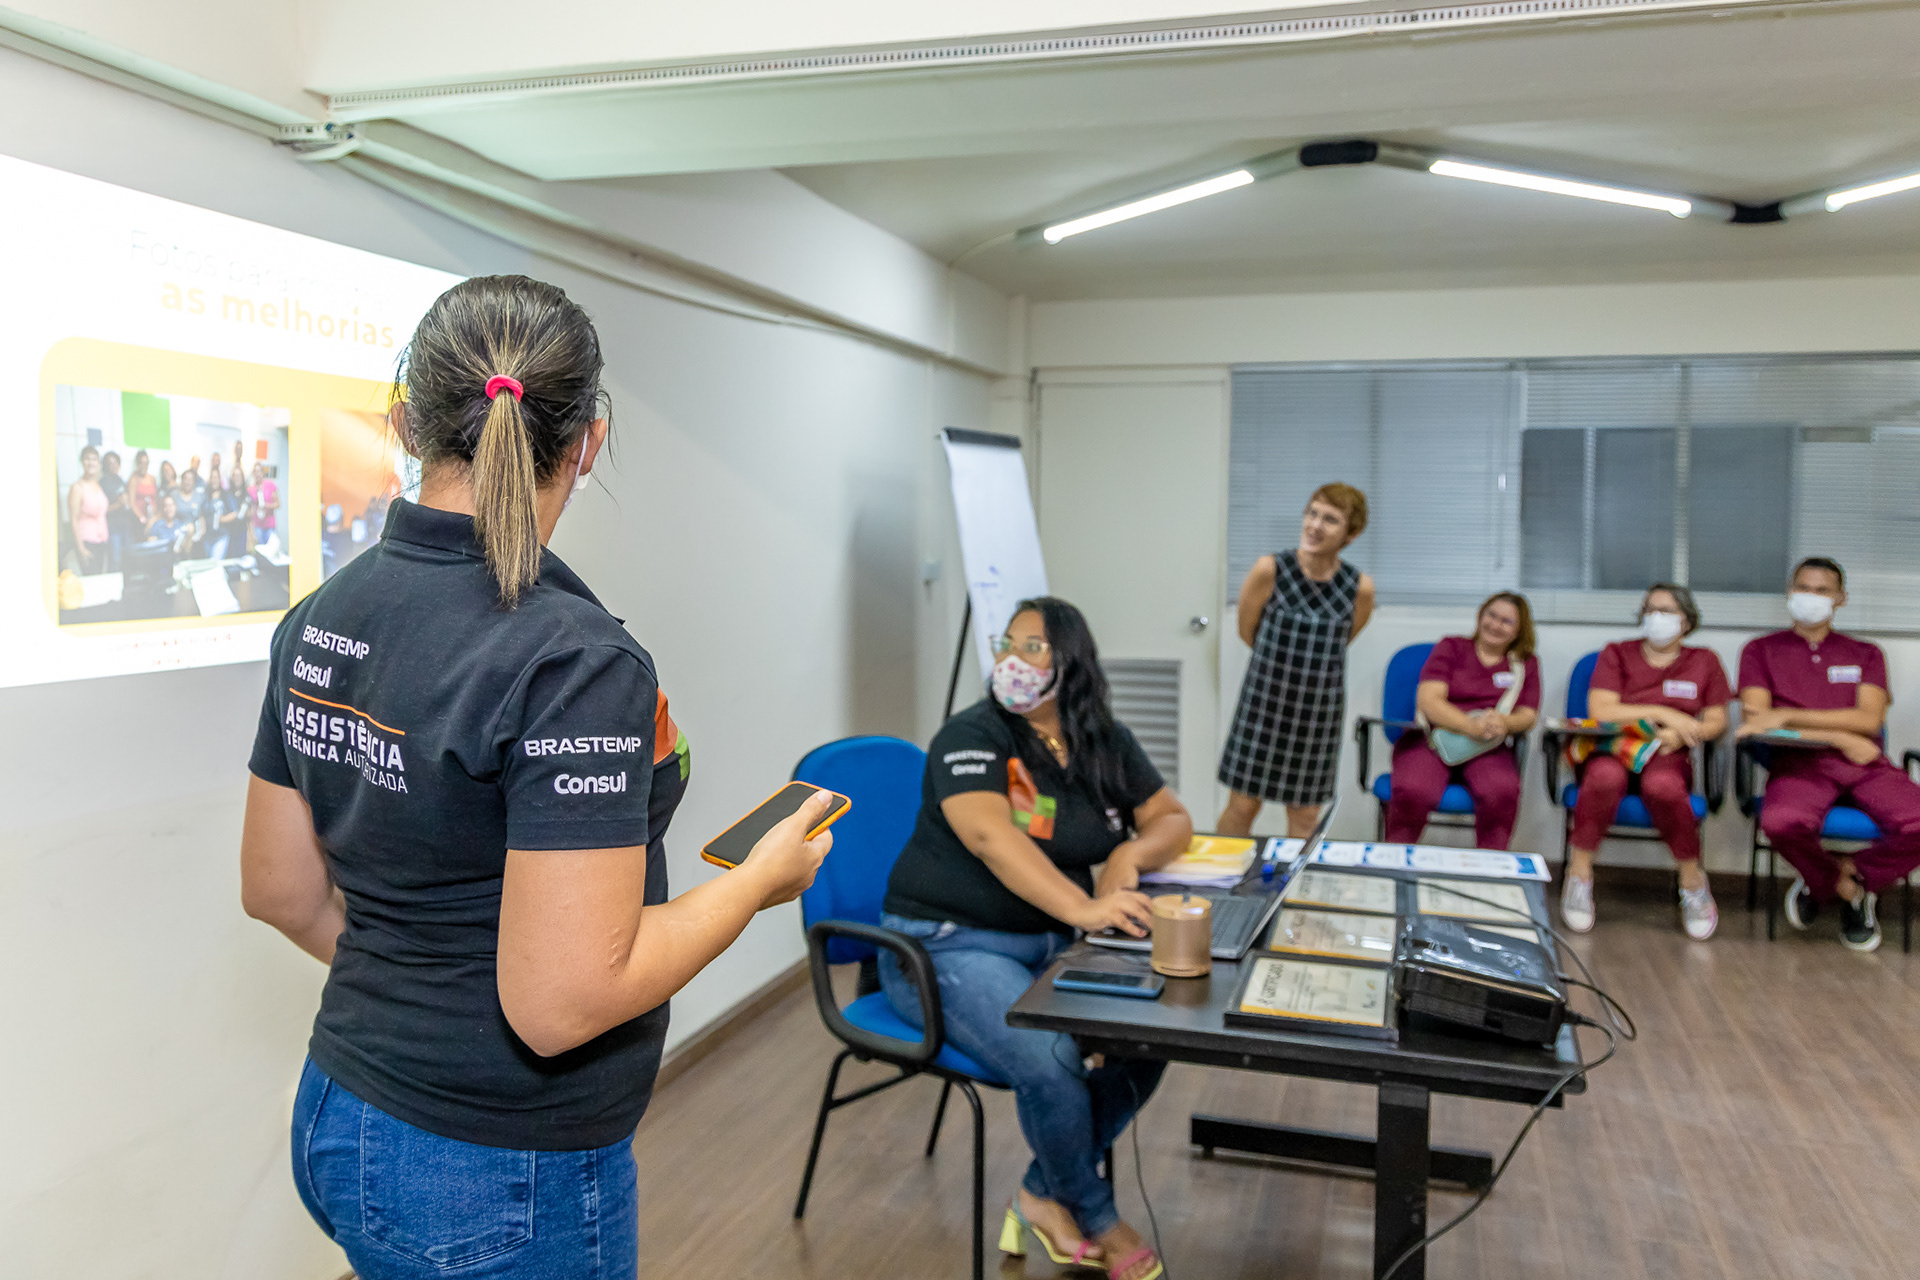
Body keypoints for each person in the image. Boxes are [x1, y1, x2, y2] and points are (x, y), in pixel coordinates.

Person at [239, 274, 830, 1279]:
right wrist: (756, 883)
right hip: (491, 1169)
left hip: (340, 1109)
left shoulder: (321, 616)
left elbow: (279, 891)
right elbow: (563, 1004)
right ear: (588, 443)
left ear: (406, 423)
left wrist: (424, 988)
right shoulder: (572, 660)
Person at [881, 597, 1192, 1280]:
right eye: (1007, 644)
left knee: (1154, 1034)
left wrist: (1129, 855)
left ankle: (1039, 1193)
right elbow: (989, 836)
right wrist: (1085, 907)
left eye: (1032, 647)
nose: (1012, 661)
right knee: (1050, 1059)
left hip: (1050, 944)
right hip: (943, 945)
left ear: (1070, 661)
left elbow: (1172, 817)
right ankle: (1096, 1217)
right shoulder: (971, 734)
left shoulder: (1099, 737)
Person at [1737, 557, 1920, 953]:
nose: (1811, 597)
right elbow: (1757, 720)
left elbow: (1869, 719)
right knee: (1781, 822)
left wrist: (1788, 714)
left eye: (1822, 590)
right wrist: (1839, 734)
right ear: (1789, 593)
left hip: (1864, 763)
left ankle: (1845, 877)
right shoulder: (1760, 650)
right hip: (1799, 764)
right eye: (1803, 588)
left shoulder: (1865, 653)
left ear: (1841, 599)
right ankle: (1848, 891)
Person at [1560, 584, 1730, 939]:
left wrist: (1686, 732)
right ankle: (1579, 875)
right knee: (1603, 778)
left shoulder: (1705, 661)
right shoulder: (1616, 653)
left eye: (1666, 611)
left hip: (1668, 752)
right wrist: (1663, 712)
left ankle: (1692, 880)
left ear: (1687, 620)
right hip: (1616, 746)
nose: (1656, 617)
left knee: (1664, 787)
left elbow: (1717, 720)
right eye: (1650, 609)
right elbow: (1601, 710)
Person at [1217, 483, 1376, 838]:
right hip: (1263, 705)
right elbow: (1248, 632)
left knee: (1305, 815)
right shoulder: (1270, 569)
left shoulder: (1359, 587)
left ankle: (1295, 875)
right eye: (1312, 513)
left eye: (1330, 520)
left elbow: (1341, 642)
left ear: (1351, 534)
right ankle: (1226, 871)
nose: (1315, 525)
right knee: (1243, 805)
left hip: (1317, 713)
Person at [1384, 592, 1541, 851]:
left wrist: (1505, 723)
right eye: (1491, 615)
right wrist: (1470, 726)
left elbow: (1528, 714)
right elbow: (1429, 701)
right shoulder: (1451, 647)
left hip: (1488, 746)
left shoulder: (1526, 664)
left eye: (1506, 621)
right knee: (1414, 790)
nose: (1495, 624)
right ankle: (1393, 860)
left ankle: (1489, 866)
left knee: (1501, 792)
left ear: (1519, 629)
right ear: (1480, 615)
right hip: (1432, 740)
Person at [66, 445, 111, 574]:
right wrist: (81, 548)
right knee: (92, 579)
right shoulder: (77, 488)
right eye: (87, 459)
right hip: (87, 543)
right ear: (82, 462)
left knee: (100, 579)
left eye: (94, 459)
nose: (91, 463)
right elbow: (73, 520)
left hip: (102, 541)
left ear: (98, 463)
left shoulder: (98, 485)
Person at [98, 450, 129, 570]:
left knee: (128, 558)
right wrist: (118, 504)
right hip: (112, 526)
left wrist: (125, 503)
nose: (114, 466)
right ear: (105, 465)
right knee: (115, 559)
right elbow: (101, 510)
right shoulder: (102, 483)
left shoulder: (120, 480)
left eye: (116, 463)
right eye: (110, 463)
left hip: (125, 524)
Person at [248, 461, 280, 553]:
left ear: (262, 472)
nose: (257, 474)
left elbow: (277, 504)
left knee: (271, 550)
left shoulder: (270, 485)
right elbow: (251, 509)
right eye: (255, 471)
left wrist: (267, 505)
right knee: (260, 550)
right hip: (257, 525)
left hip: (269, 524)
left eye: (259, 471)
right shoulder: (250, 489)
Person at [126, 449, 157, 526]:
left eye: (146, 463)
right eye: (141, 463)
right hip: (138, 519)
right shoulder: (133, 479)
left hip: (151, 517)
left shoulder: (152, 479)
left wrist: (153, 517)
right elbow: (131, 503)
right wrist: (141, 518)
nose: (144, 466)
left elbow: (155, 499)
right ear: (137, 463)